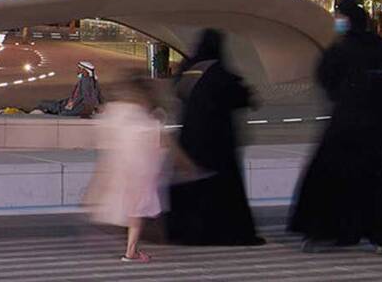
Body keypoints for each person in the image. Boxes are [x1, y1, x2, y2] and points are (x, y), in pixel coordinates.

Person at [288, 0, 382, 253]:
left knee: (332, 173)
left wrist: (342, 95)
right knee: (371, 179)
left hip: (346, 122)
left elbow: (326, 77)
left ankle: (331, 230)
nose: (338, 21)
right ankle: (376, 232)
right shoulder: (379, 46)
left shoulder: (341, 48)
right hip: (375, 124)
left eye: (340, 16)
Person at [165, 28, 262, 245]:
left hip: (190, 138)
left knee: (193, 184)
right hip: (218, 142)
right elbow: (242, 98)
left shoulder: (188, 70)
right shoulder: (220, 73)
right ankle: (221, 232)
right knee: (221, 187)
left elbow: (179, 93)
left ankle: (186, 231)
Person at [85, 72, 164, 263]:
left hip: (121, 168)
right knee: (136, 213)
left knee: (128, 210)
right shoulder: (144, 116)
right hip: (139, 171)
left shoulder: (116, 111)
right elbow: (155, 144)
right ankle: (131, 251)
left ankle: (131, 249)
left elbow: (107, 138)